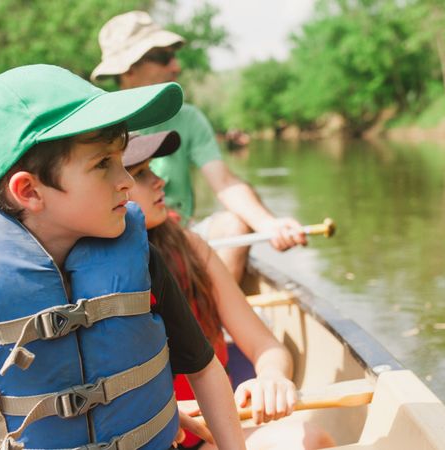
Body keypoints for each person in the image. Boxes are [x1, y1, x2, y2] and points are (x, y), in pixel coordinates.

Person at [0, 64, 246, 450]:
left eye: (121, 160)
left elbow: (204, 371)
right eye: (103, 164)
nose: (125, 181)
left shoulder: (144, 262)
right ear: (30, 191)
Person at [122, 131, 336, 450]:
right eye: (141, 174)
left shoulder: (190, 247)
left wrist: (273, 376)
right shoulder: (81, 273)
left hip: (207, 439)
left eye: (153, 169)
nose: (159, 181)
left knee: (310, 439)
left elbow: (265, 345)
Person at [90, 10, 308, 283]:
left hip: (181, 235)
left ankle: (211, 319)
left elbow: (224, 182)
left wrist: (268, 224)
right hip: (123, 242)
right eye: (163, 57)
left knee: (234, 224)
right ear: (128, 69)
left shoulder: (188, 118)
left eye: (174, 56)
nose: (176, 66)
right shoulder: (98, 126)